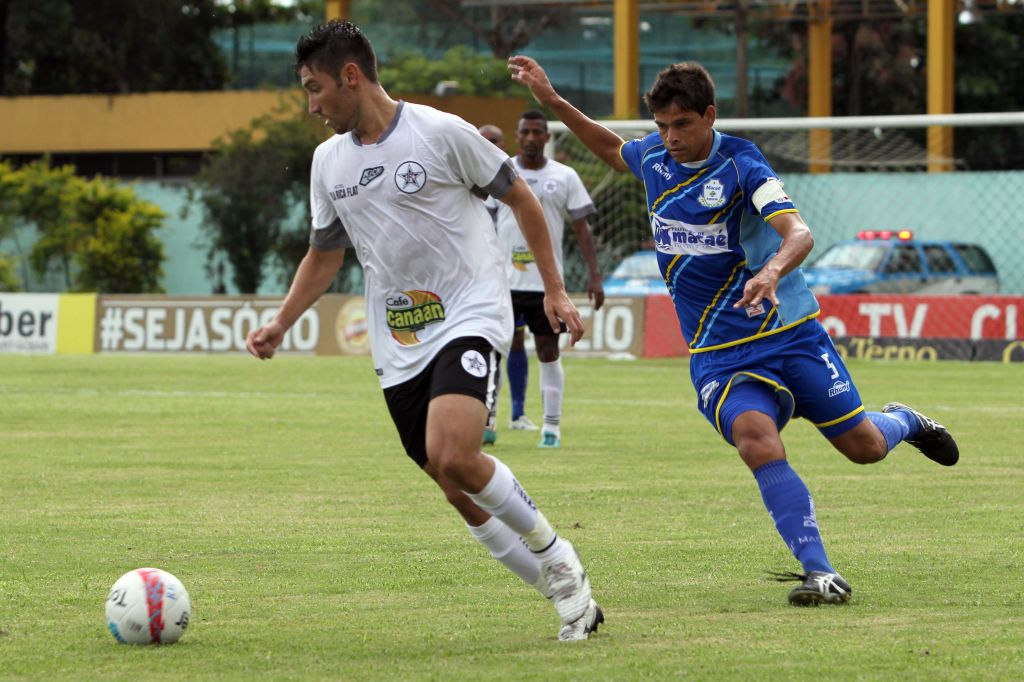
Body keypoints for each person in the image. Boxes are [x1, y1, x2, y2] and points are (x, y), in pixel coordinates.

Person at [509, 56, 959, 605]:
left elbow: (799, 232)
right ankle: (820, 572)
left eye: (682, 125)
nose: (669, 138)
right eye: (661, 126)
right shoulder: (653, 155)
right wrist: (552, 101)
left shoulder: (744, 164)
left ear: (709, 116)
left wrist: (771, 271)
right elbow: (610, 147)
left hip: (790, 332)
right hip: (719, 354)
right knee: (756, 439)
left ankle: (905, 421)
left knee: (863, 447)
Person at [246, 21, 603, 641]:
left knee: (454, 451)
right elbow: (325, 254)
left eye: (315, 88)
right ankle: (563, 596)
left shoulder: (440, 132)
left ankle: (556, 554)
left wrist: (552, 288)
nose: (311, 105)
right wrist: (281, 321)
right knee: (450, 479)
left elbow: (521, 199)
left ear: (350, 76)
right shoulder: (327, 162)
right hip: (398, 341)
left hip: (470, 312)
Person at [485, 110, 605, 449]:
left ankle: (551, 428)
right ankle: (488, 420)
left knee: (548, 350)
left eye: (538, 132)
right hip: (503, 281)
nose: (532, 138)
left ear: (548, 138)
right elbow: (483, 222)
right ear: (518, 135)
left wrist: (595, 276)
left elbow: (582, 228)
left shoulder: (564, 176)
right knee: (496, 349)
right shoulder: (500, 170)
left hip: (546, 287)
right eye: (526, 132)